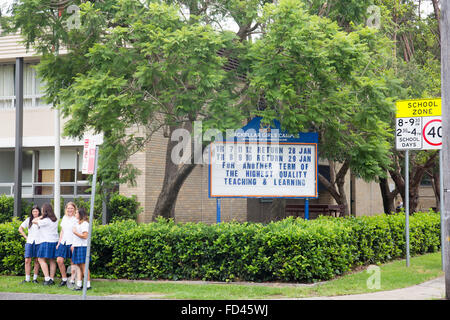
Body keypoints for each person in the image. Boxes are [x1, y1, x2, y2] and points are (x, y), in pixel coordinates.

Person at [33, 203, 59, 286]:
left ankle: (47, 279)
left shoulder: (45, 220)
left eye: (42, 210)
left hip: (46, 241)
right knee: (52, 260)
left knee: (40, 259)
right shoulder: (55, 219)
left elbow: (33, 221)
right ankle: (51, 279)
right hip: (54, 241)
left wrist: (41, 216)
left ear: (45, 211)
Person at [18, 205, 42, 284]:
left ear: (39, 212)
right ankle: (27, 278)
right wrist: (25, 236)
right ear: (31, 212)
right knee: (27, 260)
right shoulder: (28, 220)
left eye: (36, 211)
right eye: (33, 211)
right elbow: (20, 228)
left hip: (39, 242)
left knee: (37, 260)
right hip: (30, 242)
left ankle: (35, 279)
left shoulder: (42, 219)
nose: (35, 213)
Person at [56, 202, 77, 287]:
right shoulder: (64, 218)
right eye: (68, 208)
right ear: (66, 209)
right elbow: (62, 231)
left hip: (72, 242)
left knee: (73, 262)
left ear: (74, 209)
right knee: (59, 260)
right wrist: (59, 242)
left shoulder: (76, 219)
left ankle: (72, 280)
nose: (70, 210)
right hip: (63, 242)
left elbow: (77, 232)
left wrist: (75, 244)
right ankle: (64, 279)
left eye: (71, 208)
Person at [72, 208, 91, 290]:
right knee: (78, 265)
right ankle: (79, 284)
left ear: (80, 214)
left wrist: (75, 232)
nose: (75, 214)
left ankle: (88, 285)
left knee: (84, 266)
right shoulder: (77, 223)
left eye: (76, 213)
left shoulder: (85, 224)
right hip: (77, 246)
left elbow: (85, 236)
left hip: (83, 246)